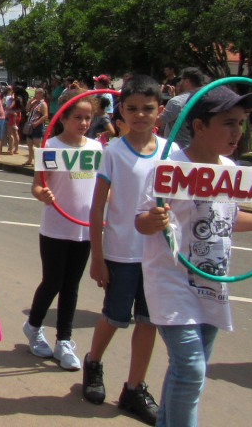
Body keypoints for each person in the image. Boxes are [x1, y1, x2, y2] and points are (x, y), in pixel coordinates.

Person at [135, 86, 252, 427]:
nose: (238, 132)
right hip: (172, 283)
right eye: (228, 123)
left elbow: (227, 219)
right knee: (192, 369)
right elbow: (142, 219)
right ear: (198, 127)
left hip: (212, 282)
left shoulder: (228, 168)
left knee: (187, 370)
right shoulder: (171, 167)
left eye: (241, 122)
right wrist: (153, 221)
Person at [82, 75, 167, 423]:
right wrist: (98, 258)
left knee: (149, 322)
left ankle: (134, 388)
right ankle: (94, 362)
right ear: (121, 111)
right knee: (115, 316)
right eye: (132, 109)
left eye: (148, 109)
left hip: (158, 255)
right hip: (122, 253)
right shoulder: (113, 152)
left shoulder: (171, 151)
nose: (140, 115)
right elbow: (98, 207)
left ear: (159, 111)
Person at [23, 89, 102, 372]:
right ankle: (33, 325)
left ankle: (64, 340)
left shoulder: (96, 149)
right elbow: (37, 186)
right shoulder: (52, 147)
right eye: (77, 117)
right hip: (56, 228)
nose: (83, 123)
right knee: (53, 282)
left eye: (88, 118)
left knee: (72, 286)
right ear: (64, 117)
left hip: (84, 229)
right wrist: (42, 194)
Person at [156, 67, 205, 148]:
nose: (178, 82)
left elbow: (156, 123)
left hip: (176, 151)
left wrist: (156, 98)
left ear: (187, 81)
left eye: (180, 79)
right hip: (197, 150)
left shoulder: (177, 102)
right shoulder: (205, 100)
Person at [22, 88, 48, 168]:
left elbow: (45, 115)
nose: (35, 95)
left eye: (37, 93)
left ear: (41, 94)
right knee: (29, 142)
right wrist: (30, 102)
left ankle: (40, 161)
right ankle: (30, 159)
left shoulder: (43, 104)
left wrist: (37, 122)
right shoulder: (34, 103)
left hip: (38, 125)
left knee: (37, 144)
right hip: (30, 124)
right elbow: (27, 110)